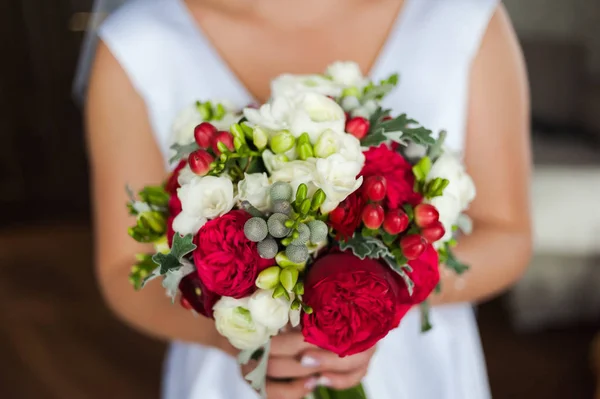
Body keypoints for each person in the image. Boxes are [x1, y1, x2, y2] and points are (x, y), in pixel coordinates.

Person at [84, 0, 532, 398]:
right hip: (232, 376)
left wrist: (374, 301)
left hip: (418, 369)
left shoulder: (462, 17)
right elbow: (123, 268)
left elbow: (508, 235)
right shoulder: (139, 43)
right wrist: (235, 334)